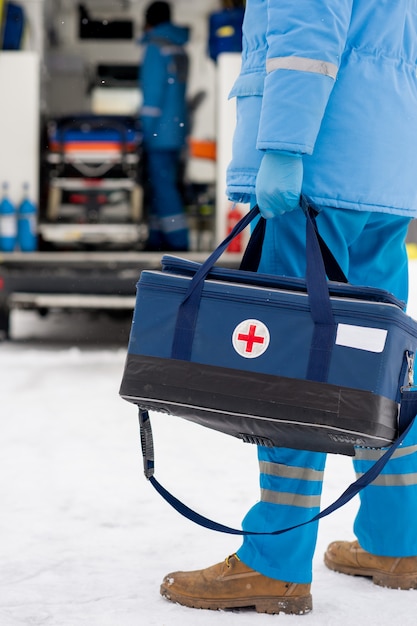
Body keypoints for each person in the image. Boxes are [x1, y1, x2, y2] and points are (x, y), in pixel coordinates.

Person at [159, 1, 417, 615]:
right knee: (380, 366)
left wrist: (283, 145)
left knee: (293, 366)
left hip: (317, 168)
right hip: (385, 174)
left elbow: (307, 35)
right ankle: (400, 542)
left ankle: (273, 562)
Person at [140, 1, 190, 251]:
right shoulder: (178, 48)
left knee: (161, 185)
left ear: (148, 22)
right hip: (176, 130)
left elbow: (152, 96)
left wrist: (144, 132)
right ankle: (157, 237)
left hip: (159, 133)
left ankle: (178, 241)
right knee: (165, 183)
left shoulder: (155, 48)